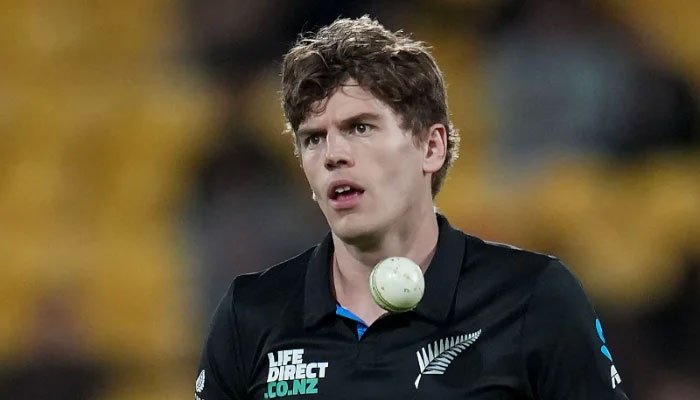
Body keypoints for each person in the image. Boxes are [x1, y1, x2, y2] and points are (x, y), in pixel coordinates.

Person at [195, 16, 629, 399]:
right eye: (313, 138)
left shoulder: (532, 298)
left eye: (360, 127)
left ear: (431, 147)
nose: (333, 155)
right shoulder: (250, 314)